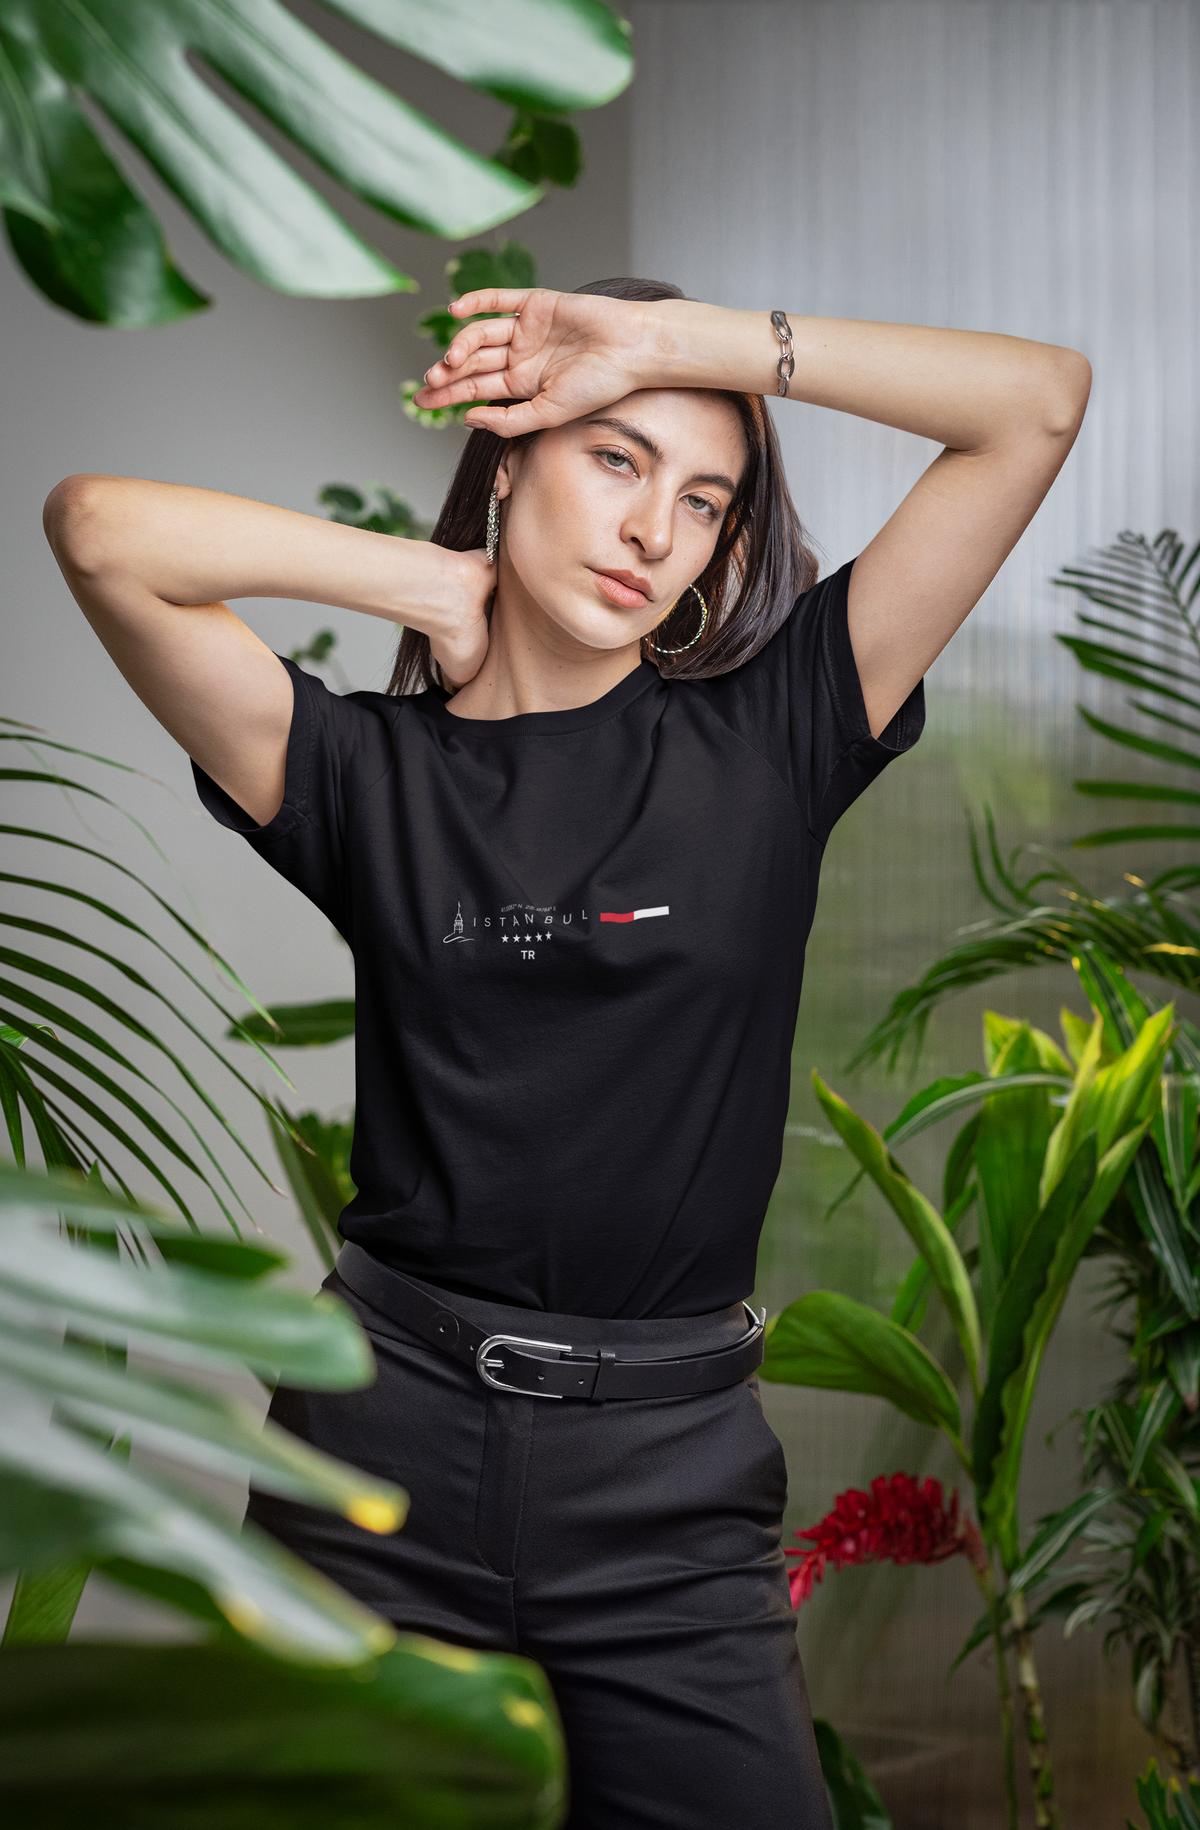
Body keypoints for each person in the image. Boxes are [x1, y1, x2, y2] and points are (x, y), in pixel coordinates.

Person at [44, 278, 1090, 1828]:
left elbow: (1038, 402)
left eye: (704, 499)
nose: (655, 527)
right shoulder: (357, 773)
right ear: (512, 457)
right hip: (379, 1458)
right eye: (615, 459)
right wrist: (429, 583)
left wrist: (666, 349)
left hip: (667, 1496)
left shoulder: (781, 730)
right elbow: (97, 528)